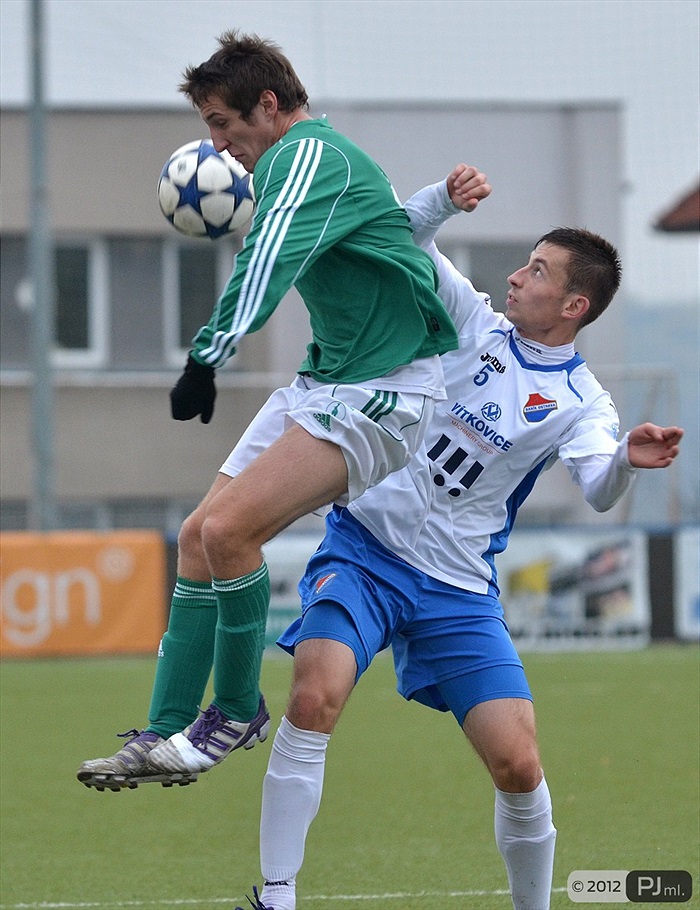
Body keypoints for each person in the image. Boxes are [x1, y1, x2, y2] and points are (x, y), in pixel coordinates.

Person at [233, 166, 683, 910]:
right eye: (525, 263)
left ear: (573, 305)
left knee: (519, 764)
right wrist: (442, 199)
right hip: (365, 552)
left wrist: (627, 462)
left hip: (457, 589)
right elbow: (405, 237)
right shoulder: (473, 320)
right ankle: (276, 897)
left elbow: (600, 489)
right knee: (314, 698)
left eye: (536, 270)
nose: (516, 277)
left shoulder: (582, 402)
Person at [77, 31, 461, 790]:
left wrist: (206, 355)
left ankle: (236, 709)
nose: (220, 146)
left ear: (268, 104)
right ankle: (161, 730)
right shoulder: (306, 162)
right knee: (198, 538)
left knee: (229, 531)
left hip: (387, 392)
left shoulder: (308, 154)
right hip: (327, 384)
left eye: (223, 124)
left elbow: (269, 256)